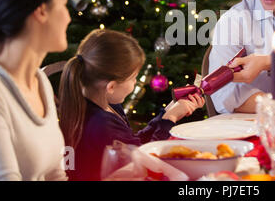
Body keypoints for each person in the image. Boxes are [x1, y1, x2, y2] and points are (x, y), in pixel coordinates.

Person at [58, 29, 205, 181]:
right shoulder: (101, 124)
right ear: (111, 87)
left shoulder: (107, 105)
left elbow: (135, 146)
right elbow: (145, 163)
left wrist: (167, 112)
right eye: (133, 78)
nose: (136, 82)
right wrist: (170, 118)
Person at [0, 0, 71, 180]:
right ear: (41, 11)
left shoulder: (40, 81)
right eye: (63, 5)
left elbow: (55, 173)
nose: (68, 17)